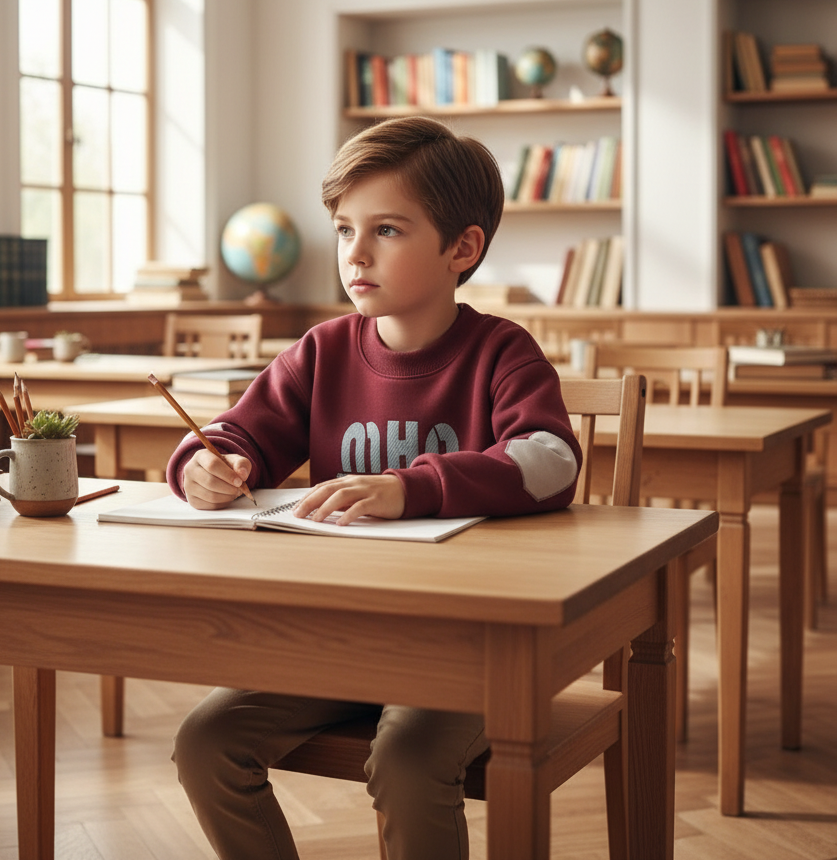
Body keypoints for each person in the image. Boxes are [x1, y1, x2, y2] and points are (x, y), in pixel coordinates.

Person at [167, 116, 582, 860]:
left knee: (409, 756)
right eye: (343, 229)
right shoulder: (321, 352)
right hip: (342, 634)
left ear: (463, 247)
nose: (354, 254)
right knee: (205, 742)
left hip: (468, 644)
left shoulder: (501, 352)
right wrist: (208, 466)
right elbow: (236, 435)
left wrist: (412, 486)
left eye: (386, 229)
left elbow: (551, 459)